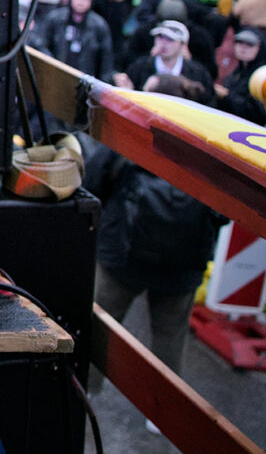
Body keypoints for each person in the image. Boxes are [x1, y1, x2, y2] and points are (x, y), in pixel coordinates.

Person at [83, 73, 222, 387]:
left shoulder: (133, 136)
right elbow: (224, 212)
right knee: (170, 335)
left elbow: (92, 182)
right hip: (183, 266)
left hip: (122, 255)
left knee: (102, 327)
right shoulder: (210, 147)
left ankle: (86, 393)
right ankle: (163, 412)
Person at [115, 19, 216, 106]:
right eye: (160, 37)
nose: (163, 43)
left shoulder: (197, 73)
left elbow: (208, 104)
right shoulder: (140, 67)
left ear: (182, 45)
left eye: (170, 39)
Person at [31, 0, 113, 80]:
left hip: (85, 79)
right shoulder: (55, 19)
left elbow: (105, 59)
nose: (81, 1)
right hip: (56, 74)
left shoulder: (99, 26)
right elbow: (41, 44)